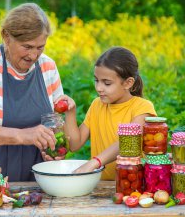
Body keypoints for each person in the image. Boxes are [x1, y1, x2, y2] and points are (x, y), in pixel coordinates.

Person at [0, 3, 64, 182]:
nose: (33, 55)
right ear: (6, 36)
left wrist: (53, 147)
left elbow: (55, 121)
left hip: (37, 173)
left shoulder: (48, 66)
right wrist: (25, 135)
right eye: (27, 46)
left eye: (40, 47)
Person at [59, 47, 157, 180]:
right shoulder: (97, 105)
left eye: (107, 83)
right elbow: (75, 145)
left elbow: (128, 142)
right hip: (102, 187)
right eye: (96, 80)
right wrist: (70, 113)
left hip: (134, 186)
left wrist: (95, 162)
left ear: (128, 83)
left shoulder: (142, 108)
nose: (99, 88)